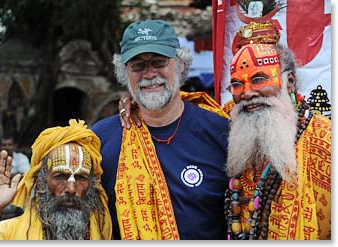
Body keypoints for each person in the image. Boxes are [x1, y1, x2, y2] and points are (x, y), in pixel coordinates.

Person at [92, 20, 230, 240]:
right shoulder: (100, 140)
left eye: (159, 62)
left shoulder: (221, 133)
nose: (149, 74)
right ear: (123, 72)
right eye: (138, 65)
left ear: (181, 64)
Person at [224, 43, 331, 240]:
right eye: (237, 84)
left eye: (258, 79)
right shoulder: (233, 131)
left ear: (289, 81)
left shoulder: (326, 139)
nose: (247, 93)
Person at [0, 119, 112, 240]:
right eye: (60, 176)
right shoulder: (8, 233)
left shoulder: (106, 232)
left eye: (81, 178)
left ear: (91, 184)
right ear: (40, 181)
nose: (71, 189)